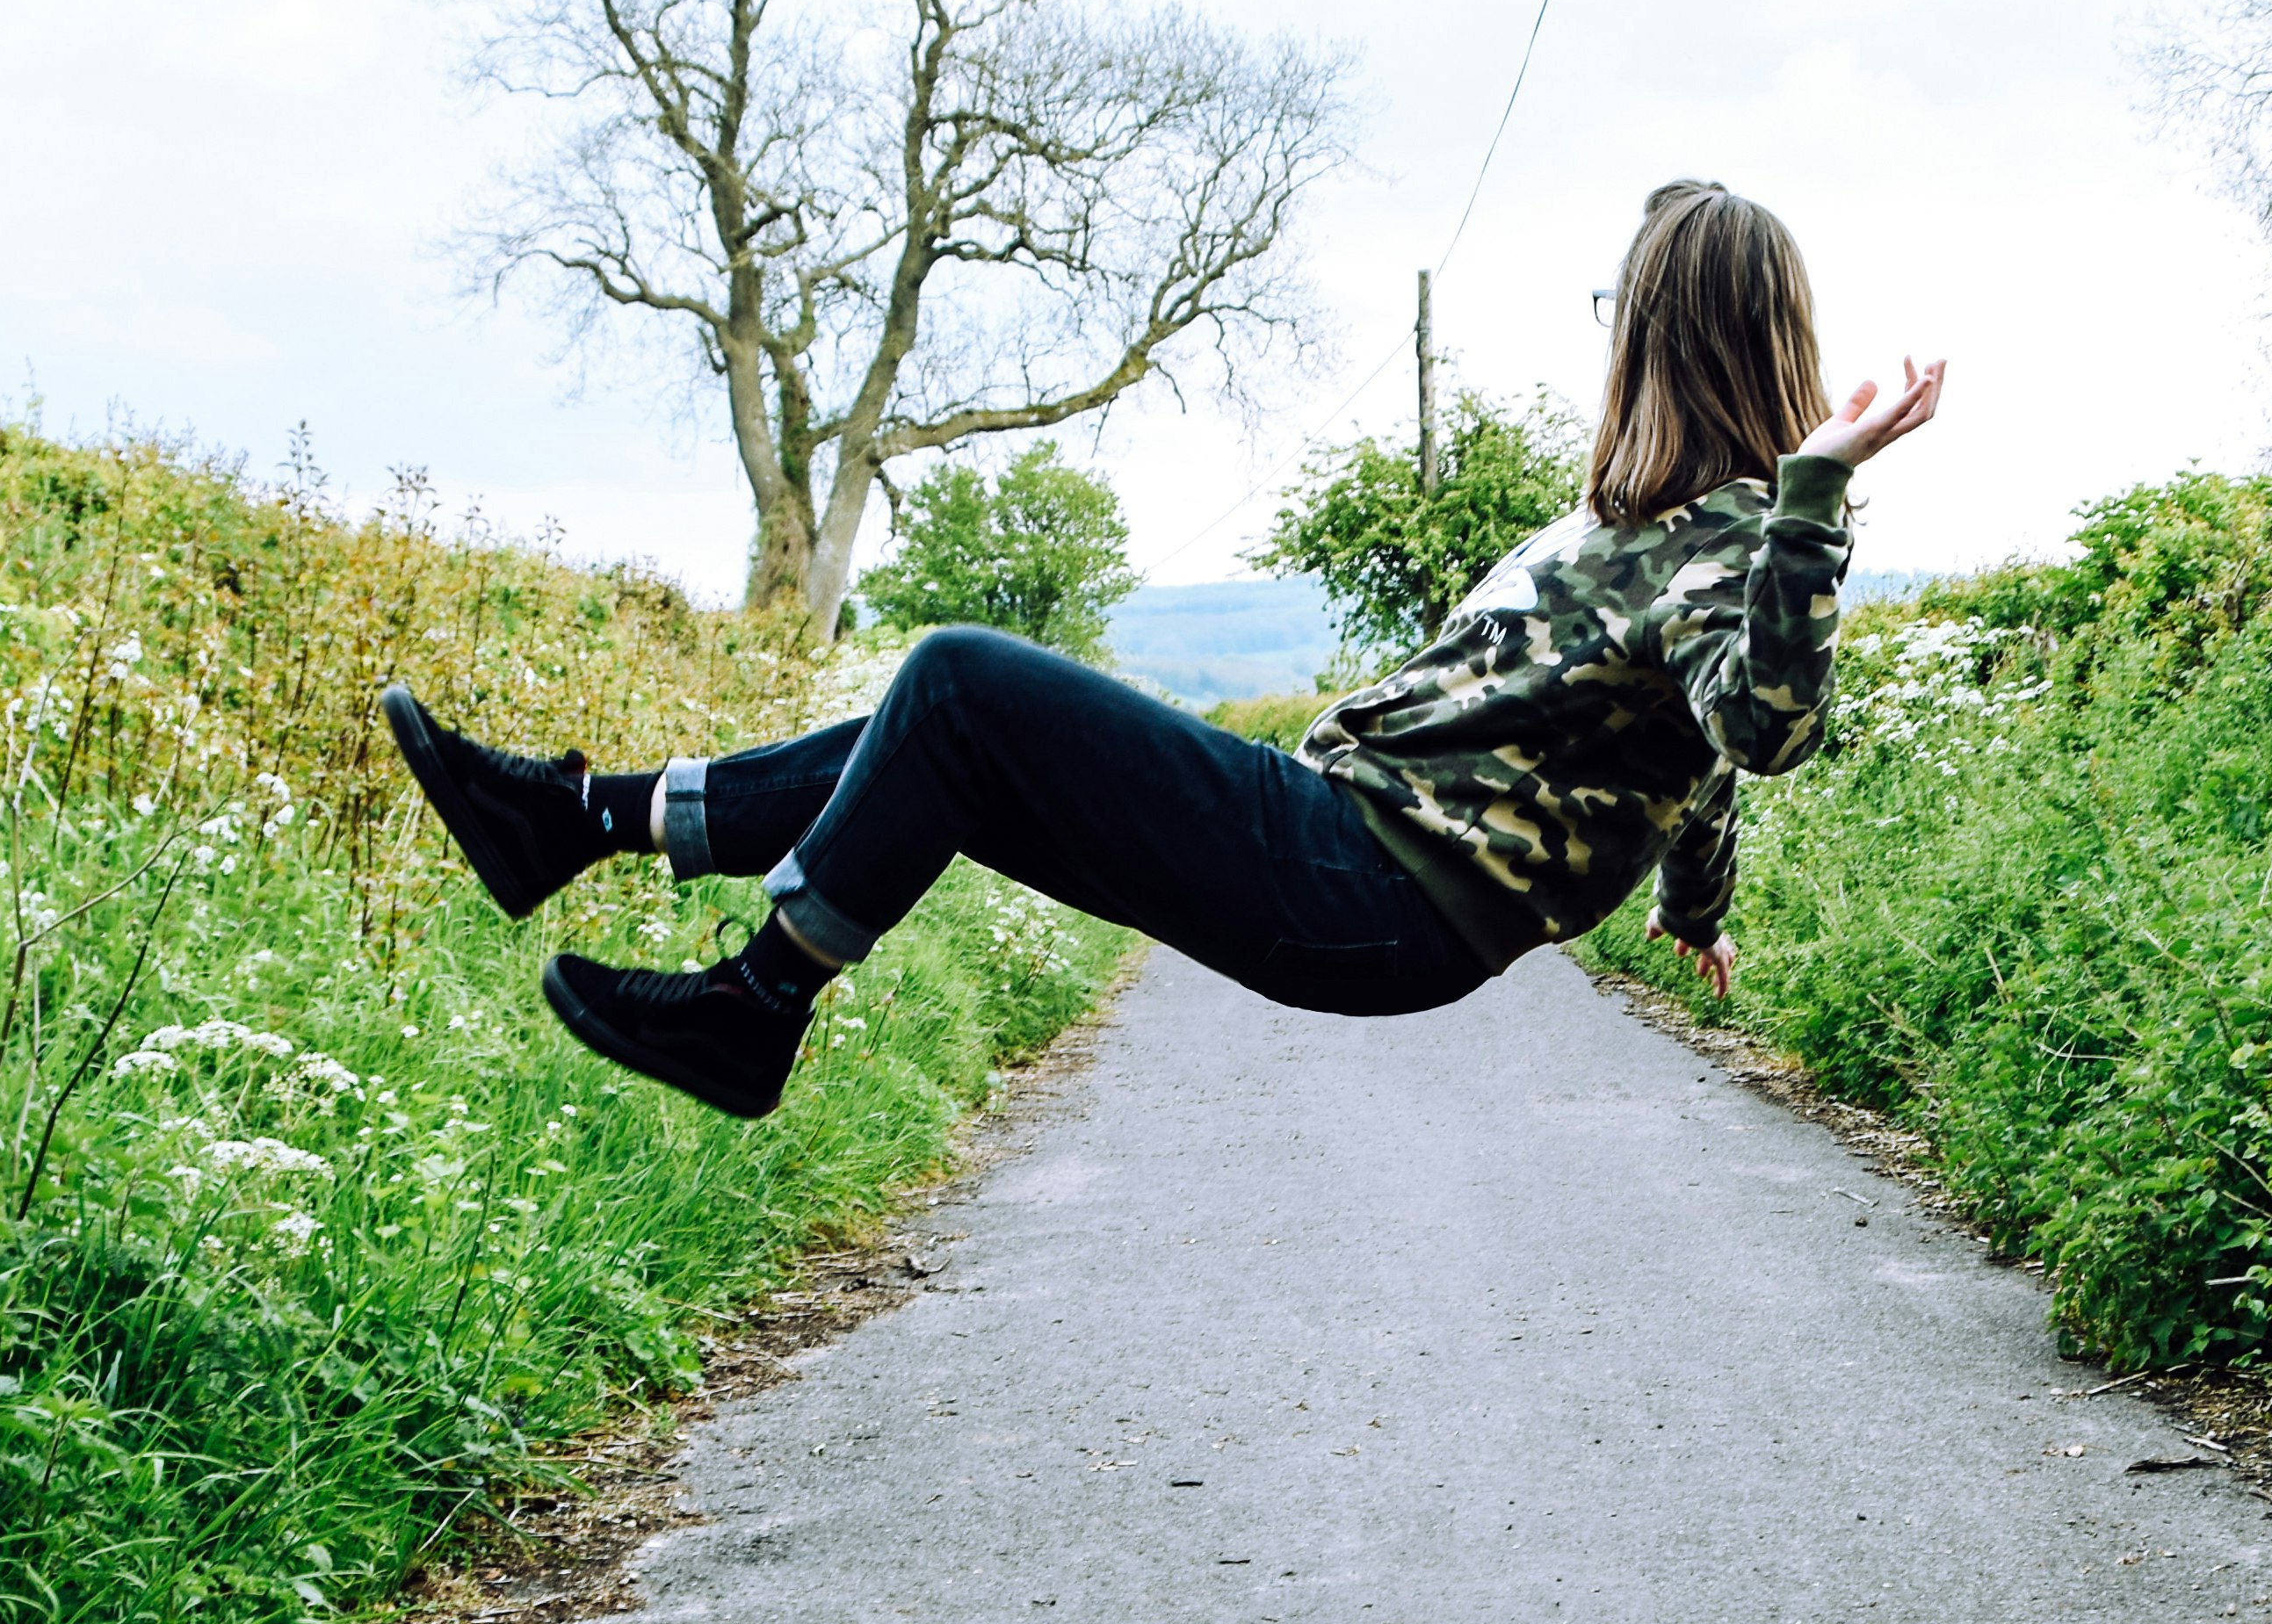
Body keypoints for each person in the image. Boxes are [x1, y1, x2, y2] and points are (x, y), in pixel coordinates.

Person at [381, 179, 1944, 1119]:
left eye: (1620, 303)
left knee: (957, 677)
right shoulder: (1655, 524)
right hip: (1359, 863)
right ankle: (576, 820)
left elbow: (1760, 729)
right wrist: (1693, 898)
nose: (1601, 325)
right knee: (960, 752)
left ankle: (754, 1007)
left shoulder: (1748, 526)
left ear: (1663, 331)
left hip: (1375, 884)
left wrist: (1817, 492)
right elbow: (1686, 747)